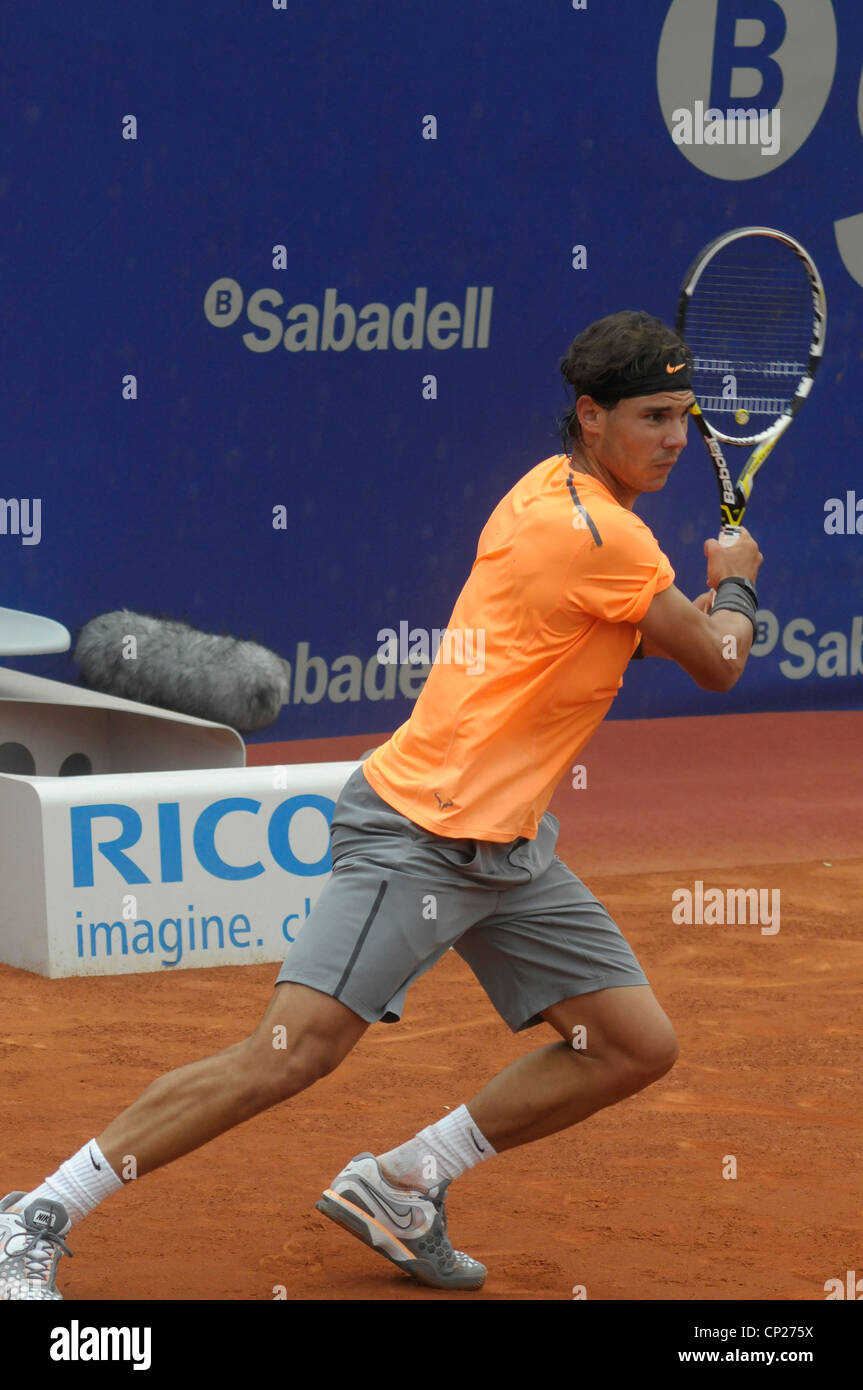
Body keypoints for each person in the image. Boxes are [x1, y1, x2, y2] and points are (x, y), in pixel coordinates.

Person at [0, 310, 763, 1300]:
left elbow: (660, 629)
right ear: (589, 415)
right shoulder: (602, 536)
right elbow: (714, 660)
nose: (672, 438)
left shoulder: (553, 498)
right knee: (284, 1054)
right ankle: (38, 1211)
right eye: (652, 416)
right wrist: (738, 590)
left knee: (630, 1043)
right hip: (421, 832)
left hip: (507, 843)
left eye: (684, 418)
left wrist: (707, 610)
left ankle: (403, 1181)